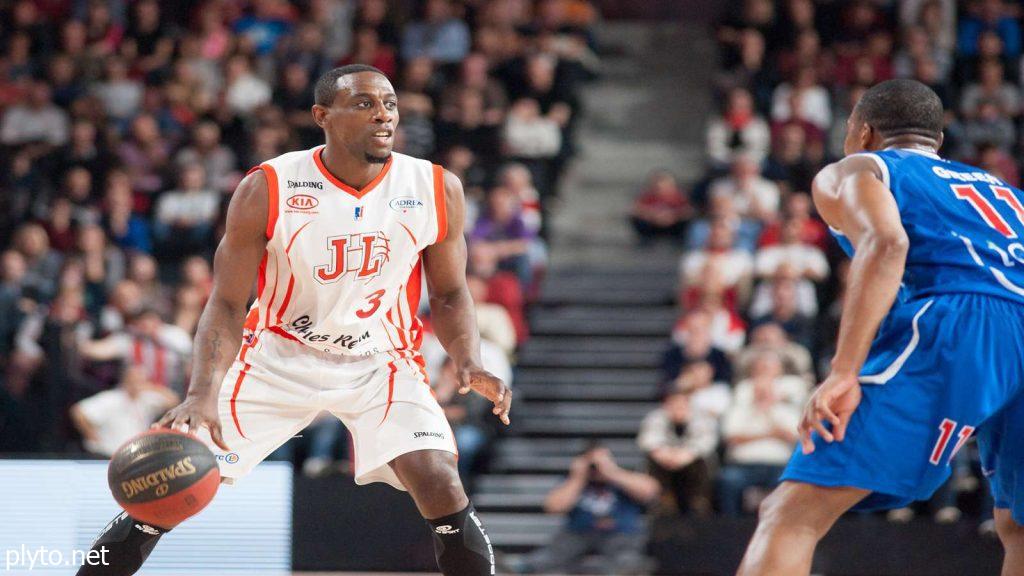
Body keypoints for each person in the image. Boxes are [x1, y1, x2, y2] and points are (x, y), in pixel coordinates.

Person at [76, 64, 510, 576]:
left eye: (390, 104)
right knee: (165, 483)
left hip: (381, 360)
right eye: (365, 103)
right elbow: (226, 302)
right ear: (322, 116)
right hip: (277, 356)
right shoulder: (269, 186)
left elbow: (451, 291)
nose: (383, 115)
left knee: (439, 478)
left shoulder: (436, 188)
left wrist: (468, 358)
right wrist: (201, 392)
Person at [737, 79, 1024, 575]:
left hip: (963, 321)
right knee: (1018, 526)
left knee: (791, 513)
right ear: (935, 140)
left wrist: (844, 370)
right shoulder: (1007, 193)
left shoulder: (862, 166)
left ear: (863, 132)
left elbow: (887, 243)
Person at [509, 443, 660, 575]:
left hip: (620, 534)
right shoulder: (573, 480)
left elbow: (650, 491)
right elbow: (553, 507)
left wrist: (612, 472)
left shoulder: (622, 477)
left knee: (627, 562)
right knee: (548, 557)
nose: (596, 467)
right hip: (579, 533)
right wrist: (578, 477)